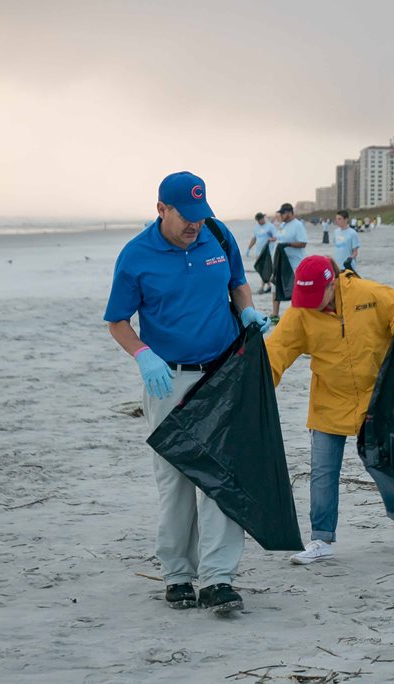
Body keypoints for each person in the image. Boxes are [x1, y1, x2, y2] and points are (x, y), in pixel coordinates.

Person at [104, 171, 271, 614]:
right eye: (185, 216)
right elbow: (118, 321)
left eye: (200, 215)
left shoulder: (217, 236)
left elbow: (237, 282)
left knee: (222, 478)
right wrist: (143, 355)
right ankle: (178, 574)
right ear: (161, 209)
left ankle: (218, 579)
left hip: (222, 373)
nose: (194, 225)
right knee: (176, 479)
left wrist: (249, 313)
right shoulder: (136, 256)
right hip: (168, 380)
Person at [265, 255, 394, 564]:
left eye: (316, 297)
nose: (310, 305)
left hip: (374, 400)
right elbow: (276, 352)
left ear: (332, 283)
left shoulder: (367, 294)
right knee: (323, 471)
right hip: (329, 400)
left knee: (380, 467)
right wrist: (257, 388)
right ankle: (321, 540)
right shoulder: (300, 313)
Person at [272, 202, 308, 321]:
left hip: (295, 265)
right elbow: (279, 238)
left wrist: (287, 244)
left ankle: (297, 315)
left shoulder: (298, 225)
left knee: (295, 290)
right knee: (276, 287)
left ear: (289, 213)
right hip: (282, 264)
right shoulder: (283, 225)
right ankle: (275, 314)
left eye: (283, 213)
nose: (281, 215)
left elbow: (303, 243)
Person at [247, 212, 276, 294]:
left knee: (266, 269)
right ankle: (269, 285)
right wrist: (249, 248)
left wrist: (271, 239)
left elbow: (275, 237)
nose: (262, 220)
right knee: (259, 268)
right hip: (259, 252)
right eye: (260, 219)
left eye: (262, 218)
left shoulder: (270, 227)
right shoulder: (256, 228)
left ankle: (263, 287)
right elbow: (254, 238)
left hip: (268, 252)